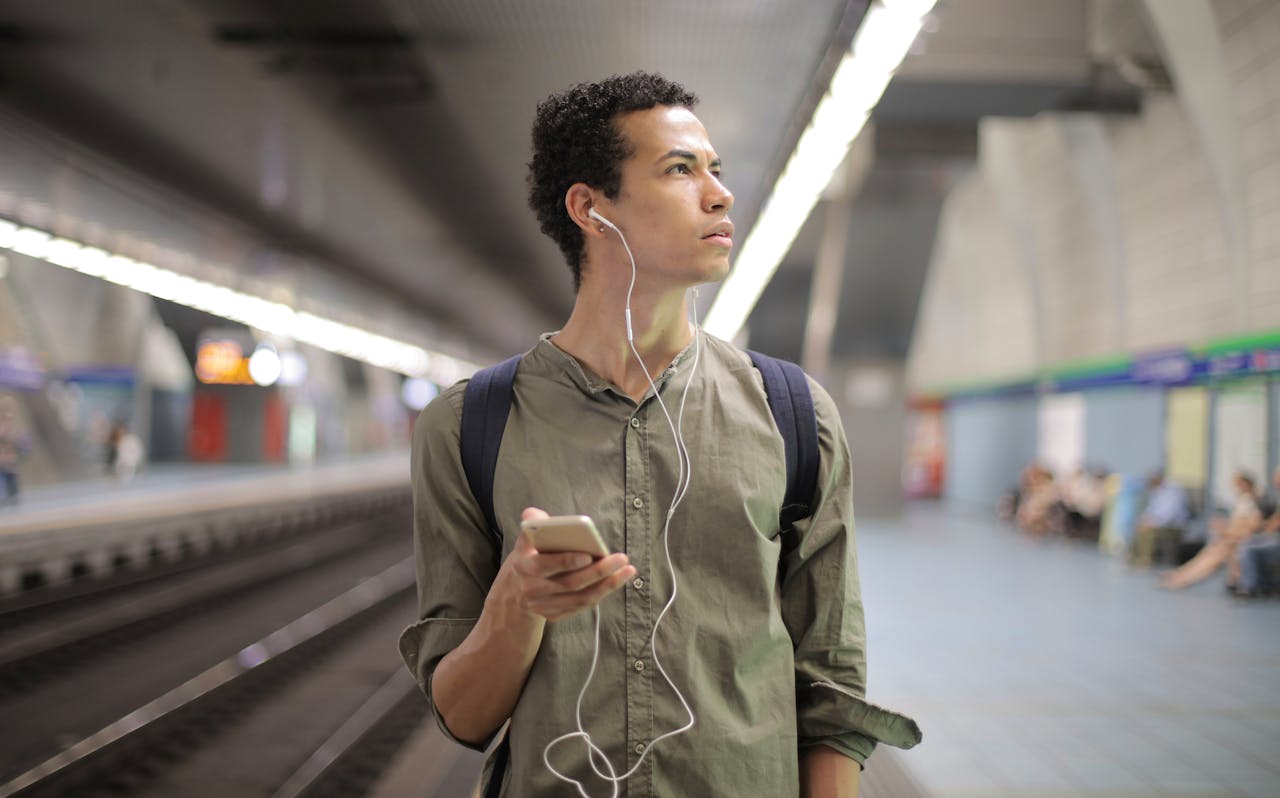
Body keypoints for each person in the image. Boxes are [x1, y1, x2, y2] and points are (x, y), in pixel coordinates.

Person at [398, 72, 919, 798]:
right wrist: (516, 604)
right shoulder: (469, 425)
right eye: (680, 170)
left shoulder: (794, 413)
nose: (719, 193)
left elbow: (830, 686)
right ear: (590, 207)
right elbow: (461, 712)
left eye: (715, 169)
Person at [1160, 470, 1262, 591]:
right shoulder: (1243, 500)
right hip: (1233, 537)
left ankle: (1184, 579)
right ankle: (1181, 574)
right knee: (1208, 552)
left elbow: (1252, 527)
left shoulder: (1255, 502)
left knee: (1215, 556)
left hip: (1240, 538)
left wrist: (1227, 533)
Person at [1129, 471, 1191, 568]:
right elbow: (1153, 510)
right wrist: (1145, 519)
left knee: (1147, 531)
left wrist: (1151, 523)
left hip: (1174, 526)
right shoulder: (1159, 492)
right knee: (1139, 526)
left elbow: (1169, 516)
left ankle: (1145, 560)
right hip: (1161, 523)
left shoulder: (1173, 492)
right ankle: (1133, 559)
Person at [1235, 466, 1280, 598]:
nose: (1275, 481)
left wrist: (1263, 530)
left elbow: (1274, 523)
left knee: (1248, 548)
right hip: (1273, 536)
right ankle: (1255, 583)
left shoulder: (1259, 498)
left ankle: (1251, 586)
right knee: (1245, 543)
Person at [0, 395, 30, 505]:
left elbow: (23, 443)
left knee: (12, 484)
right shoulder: (3, 428)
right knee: (4, 483)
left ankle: (12, 497)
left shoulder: (15, 427)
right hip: (3, 461)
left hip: (11, 461)